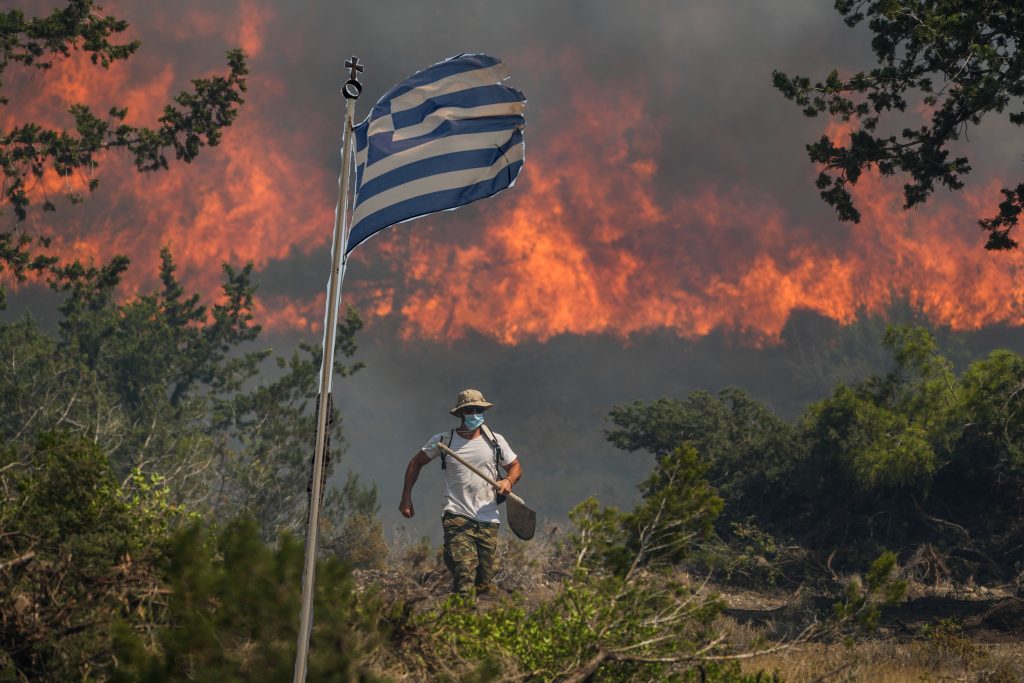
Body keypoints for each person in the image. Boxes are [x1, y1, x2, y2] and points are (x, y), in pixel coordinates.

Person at [399, 388, 522, 596]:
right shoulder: (445, 441)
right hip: (456, 514)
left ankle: (475, 621)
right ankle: (458, 613)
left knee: (484, 582)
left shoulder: (495, 441)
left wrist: (508, 482)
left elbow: (515, 467)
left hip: (488, 517)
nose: (474, 414)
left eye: (478, 409)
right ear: (461, 414)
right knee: (464, 572)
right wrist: (406, 498)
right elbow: (416, 463)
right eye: (469, 410)